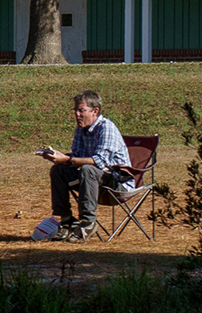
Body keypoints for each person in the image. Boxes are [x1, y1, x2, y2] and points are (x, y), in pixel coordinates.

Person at [37, 90, 134, 241]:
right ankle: (66, 220)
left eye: (81, 110)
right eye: (75, 110)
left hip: (117, 184)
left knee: (89, 170)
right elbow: (77, 157)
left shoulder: (106, 128)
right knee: (58, 170)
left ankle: (88, 223)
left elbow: (99, 162)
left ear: (95, 111)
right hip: (92, 182)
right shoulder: (80, 130)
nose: (77, 114)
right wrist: (57, 156)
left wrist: (67, 160)